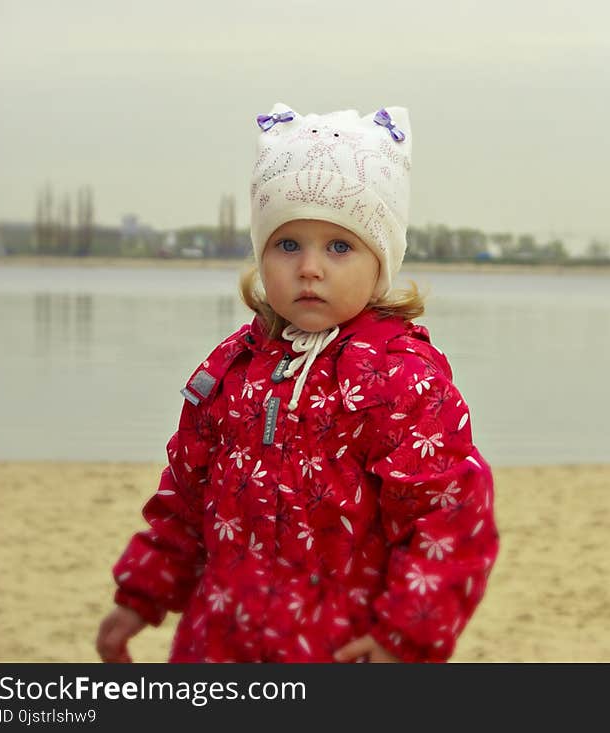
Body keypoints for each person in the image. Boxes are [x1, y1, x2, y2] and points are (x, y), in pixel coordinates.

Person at [96, 102, 499, 663]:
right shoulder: (230, 371)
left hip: (340, 647)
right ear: (262, 255)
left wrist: (405, 636)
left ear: (379, 262)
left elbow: (448, 515)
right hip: (219, 644)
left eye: (339, 246)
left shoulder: (398, 378)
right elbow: (185, 503)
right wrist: (141, 597)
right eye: (288, 245)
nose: (310, 268)